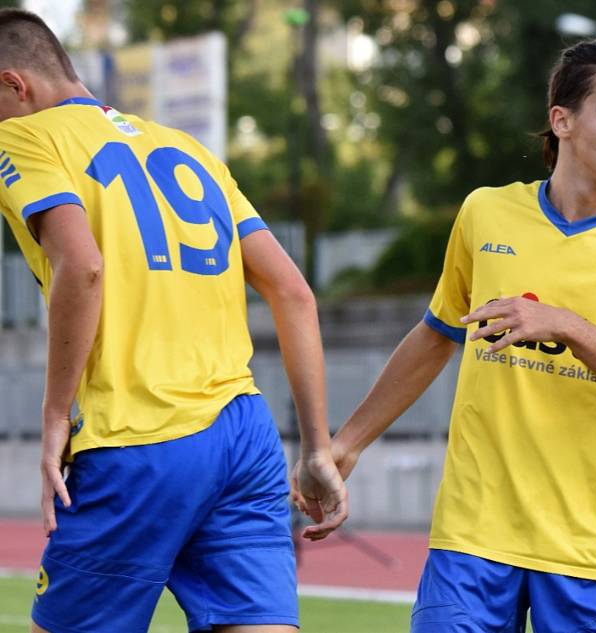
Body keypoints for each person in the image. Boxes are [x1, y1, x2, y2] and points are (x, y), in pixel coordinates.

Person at [304, 39, 596, 633]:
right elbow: (436, 335)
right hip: (473, 534)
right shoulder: (485, 213)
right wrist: (349, 443)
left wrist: (567, 326)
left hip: (589, 547)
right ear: (561, 120)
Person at [0, 9, 347, 633]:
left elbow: (82, 267)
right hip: (243, 436)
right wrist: (318, 447)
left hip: (138, 435)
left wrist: (55, 416)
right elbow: (294, 291)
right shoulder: (188, 147)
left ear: (14, 85)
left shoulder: (25, 136)